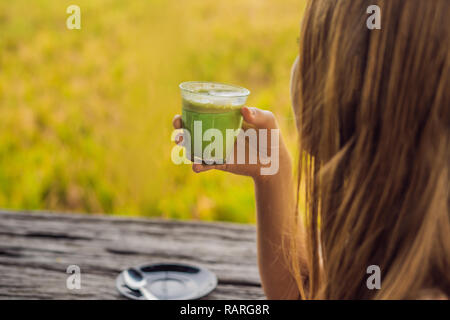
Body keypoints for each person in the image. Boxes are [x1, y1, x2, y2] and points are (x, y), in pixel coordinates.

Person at [172, 0, 449, 299]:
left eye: (308, 48)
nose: (297, 66)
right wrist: (272, 172)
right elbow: (308, 292)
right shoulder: (397, 230)